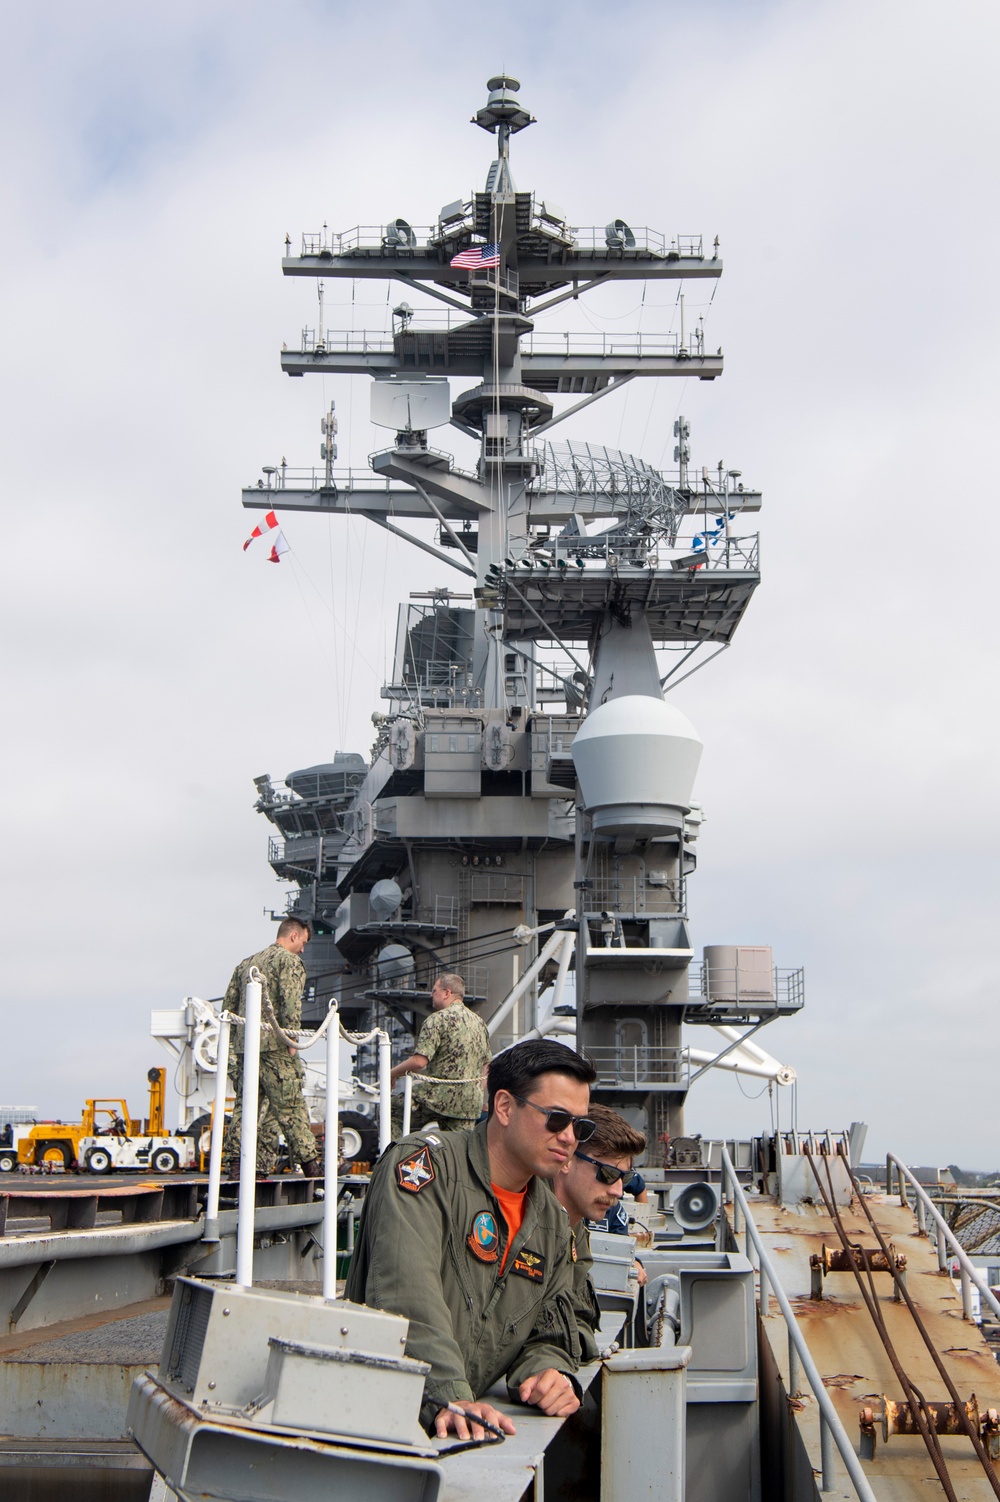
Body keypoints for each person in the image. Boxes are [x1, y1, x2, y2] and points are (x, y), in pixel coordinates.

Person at [346, 1038, 598, 1440]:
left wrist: (546, 1371)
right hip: (373, 1420)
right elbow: (405, 1292)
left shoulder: (551, 1220)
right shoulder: (426, 1167)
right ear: (504, 1106)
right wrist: (450, 1394)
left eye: (579, 1126)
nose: (569, 1137)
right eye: (556, 1118)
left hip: (459, 1425)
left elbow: (549, 1324)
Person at [222, 916, 321, 1178]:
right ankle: (312, 1168)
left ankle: (238, 1167)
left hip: (246, 1048)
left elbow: (228, 1009)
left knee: (247, 1107)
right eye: (303, 942)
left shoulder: (246, 964)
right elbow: (290, 1003)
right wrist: (292, 1042)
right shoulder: (289, 961)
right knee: (291, 1107)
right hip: (275, 1046)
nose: (302, 949)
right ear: (293, 936)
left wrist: (234, 1047)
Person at [552, 1103, 648, 1358]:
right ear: (567, 1159)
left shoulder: (575, 1235)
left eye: (624, 1179)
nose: (618, 1191)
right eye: (607, 1173)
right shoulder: (527, 1226)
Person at [389, 972, 491, 1133]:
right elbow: (487, 1066)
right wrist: (476, 1090)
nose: (431, 994)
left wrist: (391, 1074)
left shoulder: (437, 1019)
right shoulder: (479, 1023)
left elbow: (419, 1062)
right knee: (459, 1148)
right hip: (469, 1101)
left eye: (435, 990)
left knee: (389, 1111)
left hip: (437, 1097)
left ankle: (395, 1157)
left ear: (447, 993)